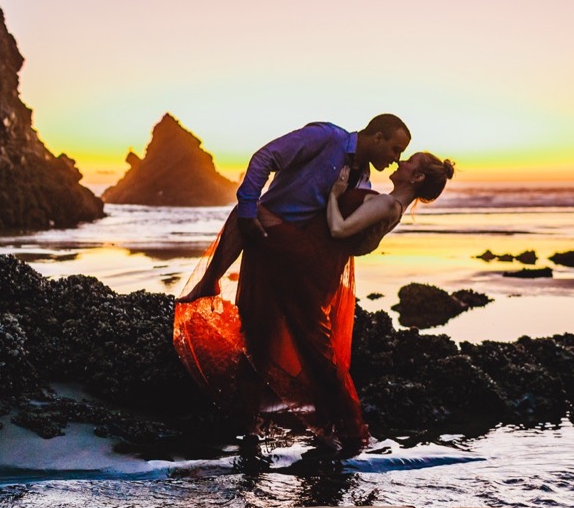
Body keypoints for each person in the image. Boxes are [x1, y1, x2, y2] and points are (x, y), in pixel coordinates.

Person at [174, 148, 455, 457]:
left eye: (408, 161)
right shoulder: (386, 203)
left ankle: (209, 282)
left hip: (309, 257)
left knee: (247, 212)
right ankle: (311, 427)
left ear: (417, 177)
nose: (400, 161)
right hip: (317, 263)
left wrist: (335, 194)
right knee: (298, 344)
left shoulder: (388, 203)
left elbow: (339, 229)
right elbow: (359, 245)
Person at [178, 114, 411, 303]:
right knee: (246, 210)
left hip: (308, 251)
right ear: (378, 137)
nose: (397, 159)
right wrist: (248, 211)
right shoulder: (326, 137)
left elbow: (351, 234)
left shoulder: (364, 179)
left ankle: (210, 281)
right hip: (272, 231)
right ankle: (210, 281)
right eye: (396, 149)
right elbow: (264, 157)